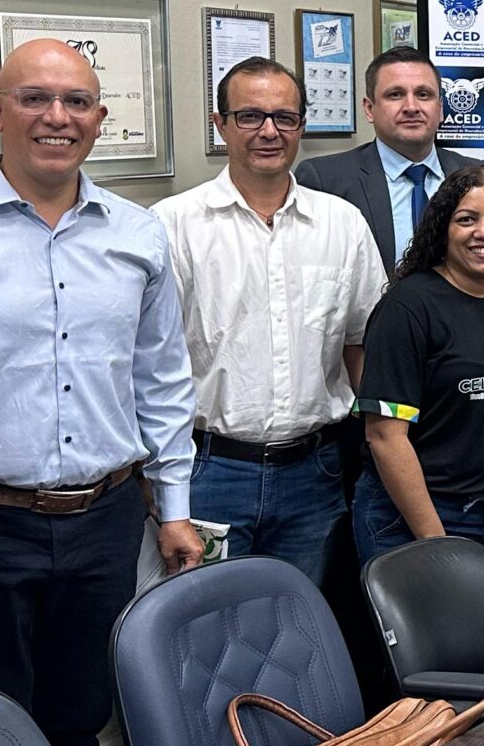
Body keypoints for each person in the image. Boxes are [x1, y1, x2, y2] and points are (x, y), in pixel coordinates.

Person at [0, 38, 200, 746]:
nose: (56, 117)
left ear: (99, 119)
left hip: (105, 520)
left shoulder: (137, 232)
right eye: (34, 98)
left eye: (76, 102)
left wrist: (173, 508)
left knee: (81, 714)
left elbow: (161, 375)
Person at [159, 57, 385, 585]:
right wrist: (159, 490)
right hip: (207, 471)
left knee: (299, 620)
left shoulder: (342, 225)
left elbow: (362, 343)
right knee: (208, 622)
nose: (269, 131)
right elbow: (147, 365)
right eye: (250, 116)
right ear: (220, 124)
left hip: (316, 473)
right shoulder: (173, 225)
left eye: (284, 118)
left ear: (301, 126)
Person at [355, 162, 484, 583]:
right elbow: (384, 437)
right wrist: (435, 542)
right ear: (442, 228)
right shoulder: (407, 308)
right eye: (466, 220)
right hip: (416, 516)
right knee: (436, 628)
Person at [297, 45, 472, 280]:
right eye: (395, 95)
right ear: (369, 109)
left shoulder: (476, 175)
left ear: (440, 109)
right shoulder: (325, 180)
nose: (411, 107)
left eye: (423, 94)